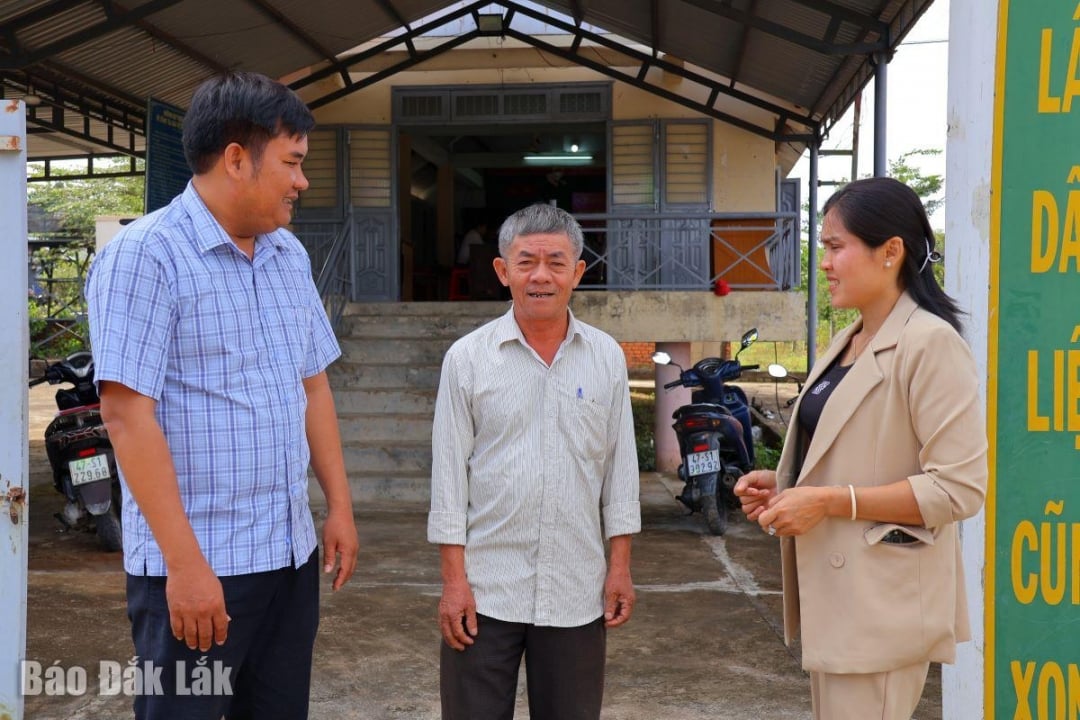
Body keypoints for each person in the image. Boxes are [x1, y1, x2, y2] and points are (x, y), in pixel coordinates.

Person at [85, 72, 359, 720]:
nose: (302, 181)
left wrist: (339, 506)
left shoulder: (287, 255)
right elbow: (126, 415)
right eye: (292, 163)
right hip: (200, 567)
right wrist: (184, 568)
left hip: (289, 558)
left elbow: (312, 383)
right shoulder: (145, 256)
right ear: (238, 158)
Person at [734, 176, 987, 720]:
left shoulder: (930, 343)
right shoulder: (850, 338)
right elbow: (847, 450)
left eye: (835, 246)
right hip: (837, 601)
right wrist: (783, 487)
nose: (823, 263)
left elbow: (958, 489)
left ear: (890, 251)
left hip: (882, 606)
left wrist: (828, 502)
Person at [428, 203, 641, 720]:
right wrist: (454, 582)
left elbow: (621, 473)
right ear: (503, 271)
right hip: (485, 591)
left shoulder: (607, 356)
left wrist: (620, 568)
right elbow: (449, 479)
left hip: (576, 589)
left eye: (555, 262)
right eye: (526, 262)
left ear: (578, 273)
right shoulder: (467, 358)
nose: (540, 275)